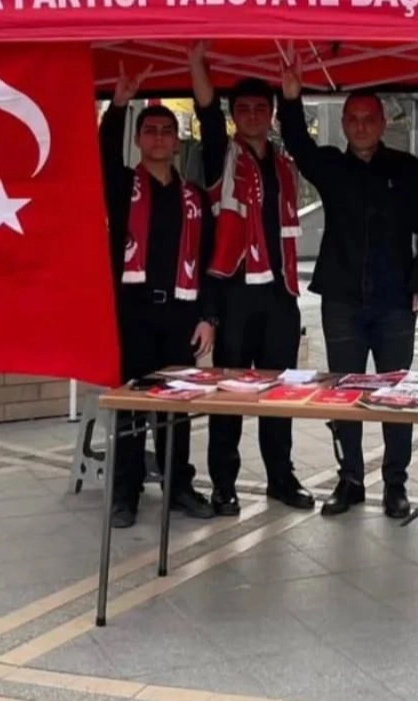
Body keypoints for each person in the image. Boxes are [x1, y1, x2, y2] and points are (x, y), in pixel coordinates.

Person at [277, 56, 418, 518]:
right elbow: (297, 143)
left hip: (394, 301)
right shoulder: (331, 166)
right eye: (353, 119)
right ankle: (349, 479)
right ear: (345, 124)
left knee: (394, 396)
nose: (361, 126)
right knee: (345, 393)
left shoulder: (406, 169)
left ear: (382, 123)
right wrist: (291, 97)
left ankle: (395, 483)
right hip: (342, 299)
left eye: (370, 118)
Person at [188, 42, 315, 515]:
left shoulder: (283, 162)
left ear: (271, 113)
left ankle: (281, 477)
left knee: (279, 392)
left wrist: (292, 90)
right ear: (234, 115)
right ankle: (224, 483)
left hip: (280, 293)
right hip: (235, 291)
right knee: (232, 391)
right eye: (244, 109)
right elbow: (206, 115)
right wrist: (198, 65)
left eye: (262, 108)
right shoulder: (222, 155)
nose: (254, 116)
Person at [99, 63, 217, 529]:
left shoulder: (194, 198)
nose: (159, 138)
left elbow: (208, 261)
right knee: (131, 405)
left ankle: (178, 486)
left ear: (177, 140)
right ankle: (124, 492)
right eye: (150, 131)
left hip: (181, 315)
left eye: (167, 131)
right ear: (138, 139)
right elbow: (103, 152)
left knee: (176, 407)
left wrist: (208, 316)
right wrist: (119, 103)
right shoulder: (121, 187)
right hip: (132, 312)